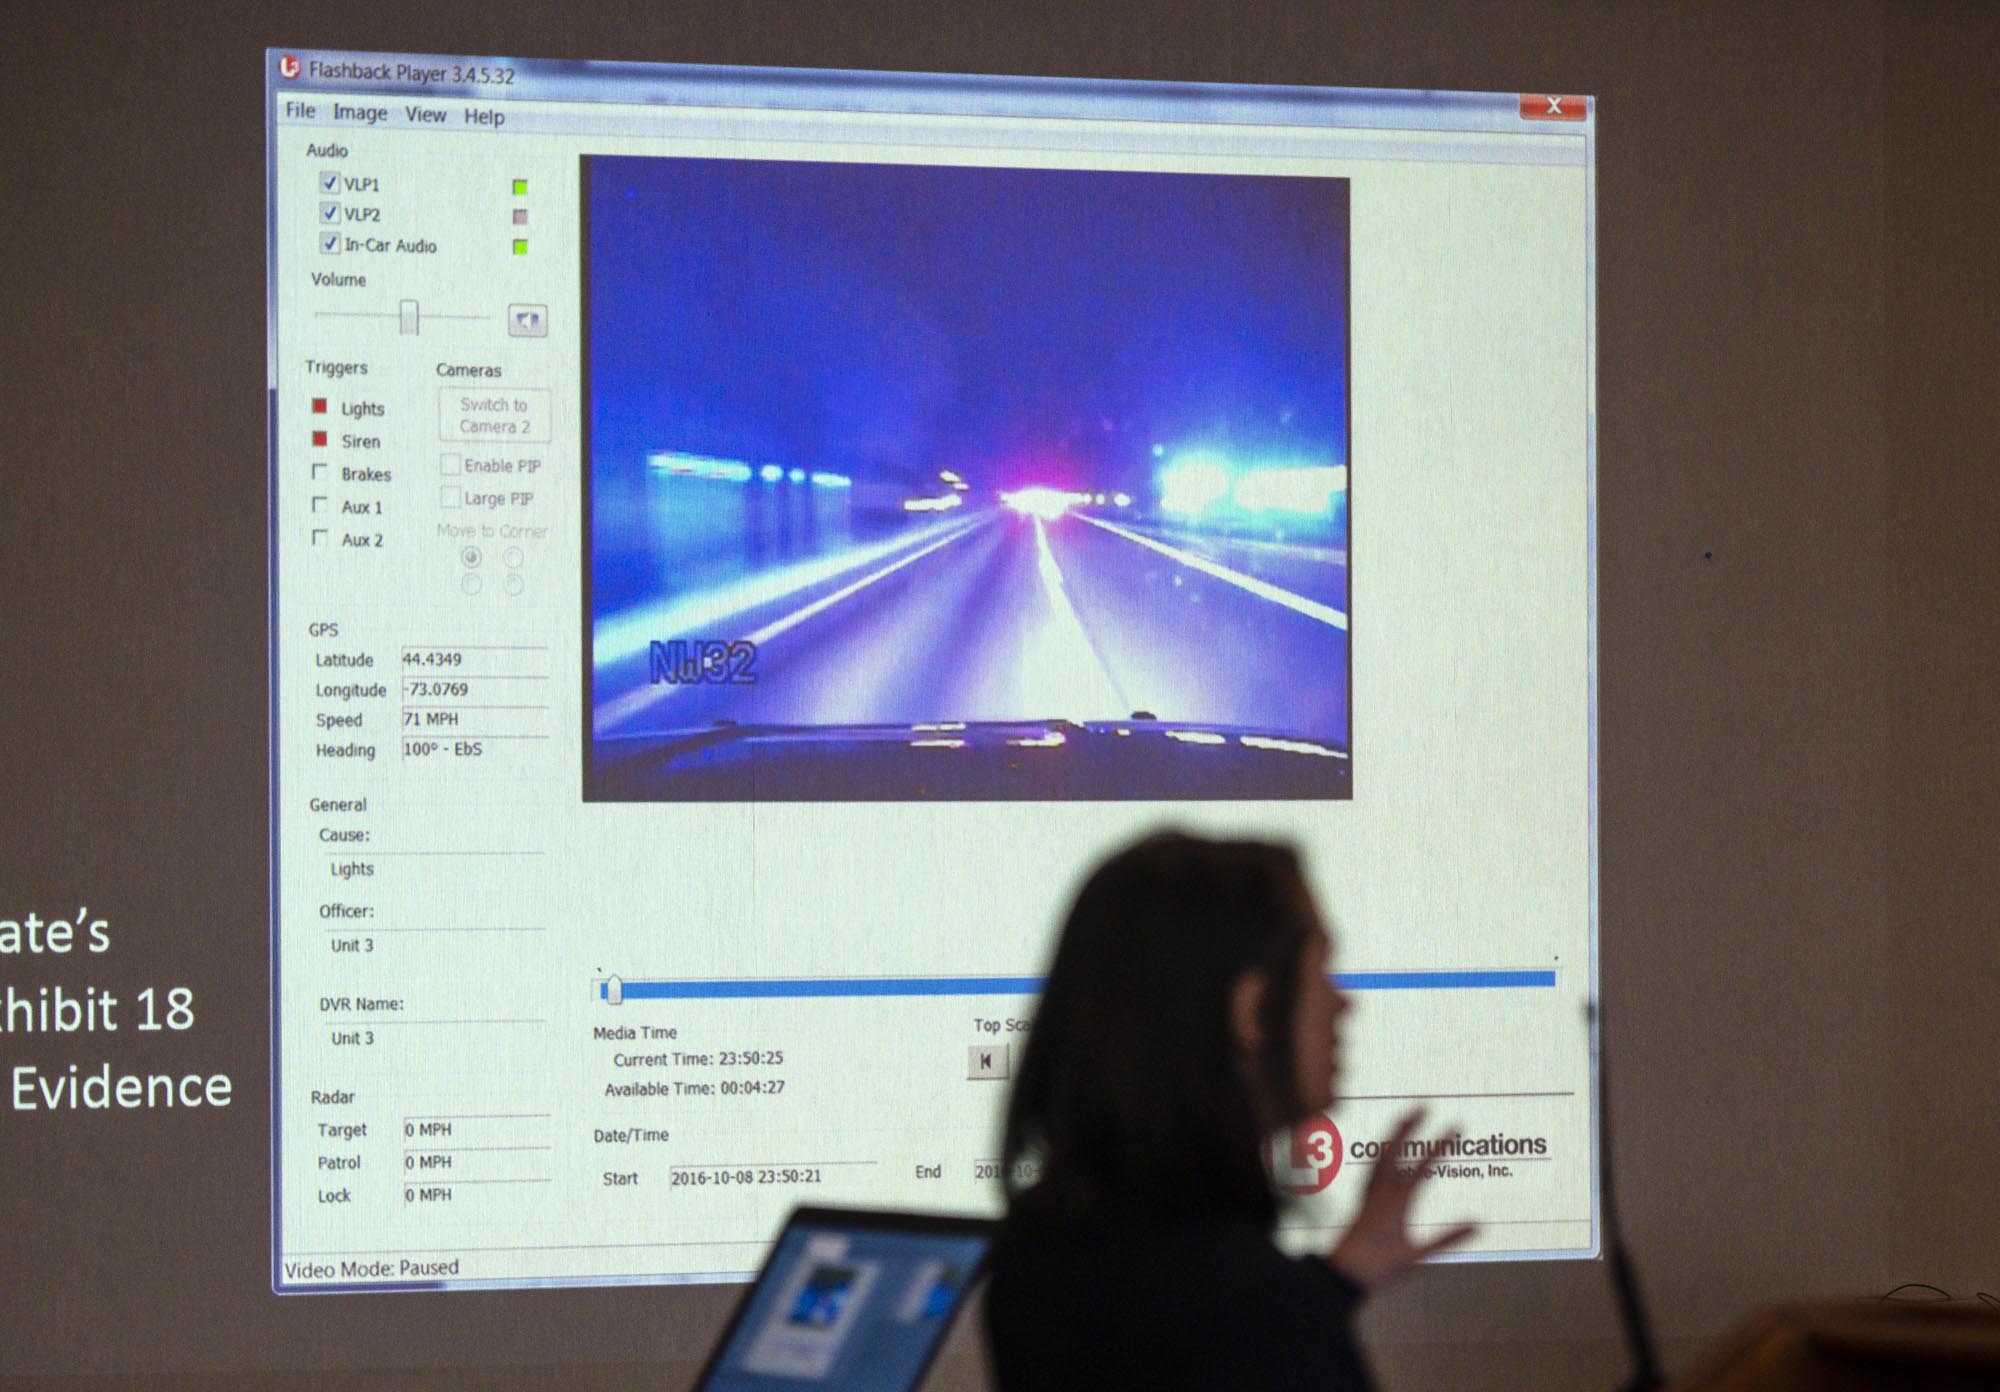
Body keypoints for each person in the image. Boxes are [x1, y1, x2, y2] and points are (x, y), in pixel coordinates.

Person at [985, 832, 1475, 1392]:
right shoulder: (1258, 1316)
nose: (1344, 1002)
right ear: (1252, 1010)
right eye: (1321, 967)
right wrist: (1300, 1317)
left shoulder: (1034, 1257)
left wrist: (1332, 1282)